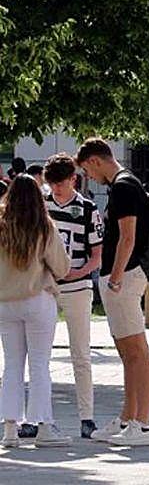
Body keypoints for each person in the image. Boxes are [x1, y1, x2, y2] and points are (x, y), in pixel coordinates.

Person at [75, 138, 149, 446]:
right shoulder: (125, 184)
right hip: (120, 276)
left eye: (87, 171)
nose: (90, 178)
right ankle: (128, 418)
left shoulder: (123, 186)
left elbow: (128, 238)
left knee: (137, 352)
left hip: (122, 276)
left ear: (96, 161)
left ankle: (143, 425)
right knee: (128, 354)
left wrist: (116, 277)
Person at [0, 174, 71, 448]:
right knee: (40, 364)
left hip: (5, 302)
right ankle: (43, 427)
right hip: (37, 299)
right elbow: (62, 268)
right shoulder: (44, 226)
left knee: (12, 365)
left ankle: (9, 430)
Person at [44, 155, 103, 438]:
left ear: (73, 179)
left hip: (77, 288)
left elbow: (97, 256)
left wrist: (78, 273)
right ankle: (40, 417)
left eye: (60, 183)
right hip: (46, 287)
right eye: (51, 183)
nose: (56, 189)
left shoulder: (89, 209)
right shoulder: (42, 208)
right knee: (40, 354)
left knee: (80, 353)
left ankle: (86, 416)